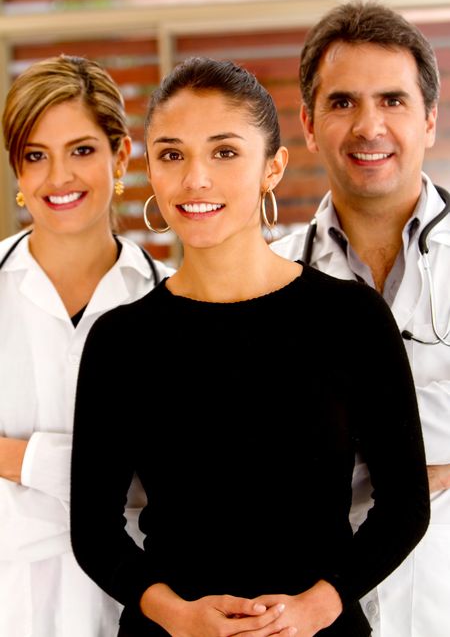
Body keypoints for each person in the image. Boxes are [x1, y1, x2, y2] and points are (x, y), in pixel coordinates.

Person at [70, 55, 429, 637]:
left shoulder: (351, 317)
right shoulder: (119, 340)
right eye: (171, 154)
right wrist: (178, 617)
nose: (196, 179)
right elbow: (94, 532)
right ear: (150, 174)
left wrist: (316, 607)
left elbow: (405, 507)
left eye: (225, 151)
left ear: (273, 167)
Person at [271, 1, 450, 636]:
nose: (369, 126)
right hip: (312, 609)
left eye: (393, 101)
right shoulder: (267, 275)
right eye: (343, 102)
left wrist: (345, 426)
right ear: (310, 125)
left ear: (430, 117)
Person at [0, 54, 173, 637]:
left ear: (121, 155)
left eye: (81, 150)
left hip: (130, 601)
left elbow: (188, 468)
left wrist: (18, 459)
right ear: (17, 173)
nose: (59, 178)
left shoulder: (170, 300)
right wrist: (87, 469)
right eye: (35, 156)